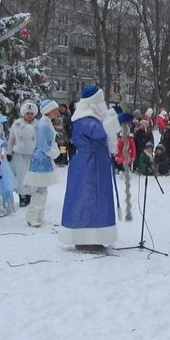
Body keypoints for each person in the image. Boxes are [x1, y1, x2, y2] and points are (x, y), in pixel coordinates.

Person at [58, 87, 130, 253]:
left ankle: (89, 236)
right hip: (91, 164)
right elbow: (98, 130)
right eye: (101, 101)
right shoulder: (85, 119)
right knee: (91, 198)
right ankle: (89, 238)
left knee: (94, 198)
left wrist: (112, 114)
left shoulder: (88, 115)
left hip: (94, 161)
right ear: (94, 103)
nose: (102, 104)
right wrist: (117, 119)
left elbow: (101, 123)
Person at [24, 99, 62, 228]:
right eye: (55, 109)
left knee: (43, 188)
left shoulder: (46, 123)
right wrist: (54, 152)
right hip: (41, 159)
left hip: (44, 159)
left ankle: (39, 215)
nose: (57, 111)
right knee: (40, 188)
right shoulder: (43, 125)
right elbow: (43, 145)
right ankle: (32, 216)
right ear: (48, 111)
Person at [7, 101, 38, 207]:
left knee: (31, 175)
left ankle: (29, 194)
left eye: (31, 114)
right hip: (19, 155)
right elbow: (11, 139)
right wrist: (9, 152)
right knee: (20, 175)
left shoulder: (37, 126)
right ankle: (21, 196)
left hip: (32, 155)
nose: (29, 116)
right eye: (27, 113)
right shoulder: (17, 124)